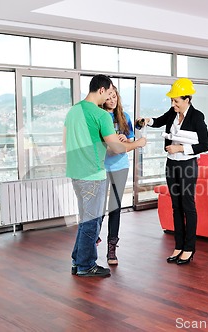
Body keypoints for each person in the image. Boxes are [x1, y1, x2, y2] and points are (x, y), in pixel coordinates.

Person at [63, 74, 146, 277]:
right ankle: (86, 265)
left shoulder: (73, 111)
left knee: (86, 219)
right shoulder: (100, 116)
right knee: (92, 221)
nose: (110, 96)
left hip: (76, 172)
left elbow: (66, 142)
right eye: (109, 92)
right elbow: (117, 148)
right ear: (101, 91)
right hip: (93, 174)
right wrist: (137, 143)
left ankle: (77, 260)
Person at [139, 78, 208, 265]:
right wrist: (148, 120)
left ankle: (189, 248)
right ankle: (178, 246)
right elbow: (159, 121)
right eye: (172, 101)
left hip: (187, 165)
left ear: (187, 99)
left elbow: (205, 144)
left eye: (176, 101)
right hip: (171, 165)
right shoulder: (172, 112)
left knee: (188, 205)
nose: (173, 104)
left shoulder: (197, 117)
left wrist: (180, 149)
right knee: (175, 205)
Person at [101, 86, 134, 265]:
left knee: (115, 208)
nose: (112, 100)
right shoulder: (99, 117)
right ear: (103, 98)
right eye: (109, 97)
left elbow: (130, 138)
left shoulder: (124, 117)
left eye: (114, 96)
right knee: (98, 209)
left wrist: (125, 139)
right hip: (102, 168)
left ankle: (111, 249)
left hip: (120, 167)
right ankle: (91, 242)